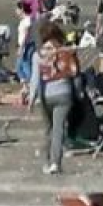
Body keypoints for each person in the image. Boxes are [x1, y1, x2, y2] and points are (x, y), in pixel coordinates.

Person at [31, 24, 79, 175]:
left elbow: (35, 79)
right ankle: (55, 163)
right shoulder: (66, 51)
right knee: (58, 129)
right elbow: (75, 73)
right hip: (64, 93)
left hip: (46, 95)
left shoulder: (38, 54)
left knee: (48, 129)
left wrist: (32, 98)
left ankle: (46, 161)